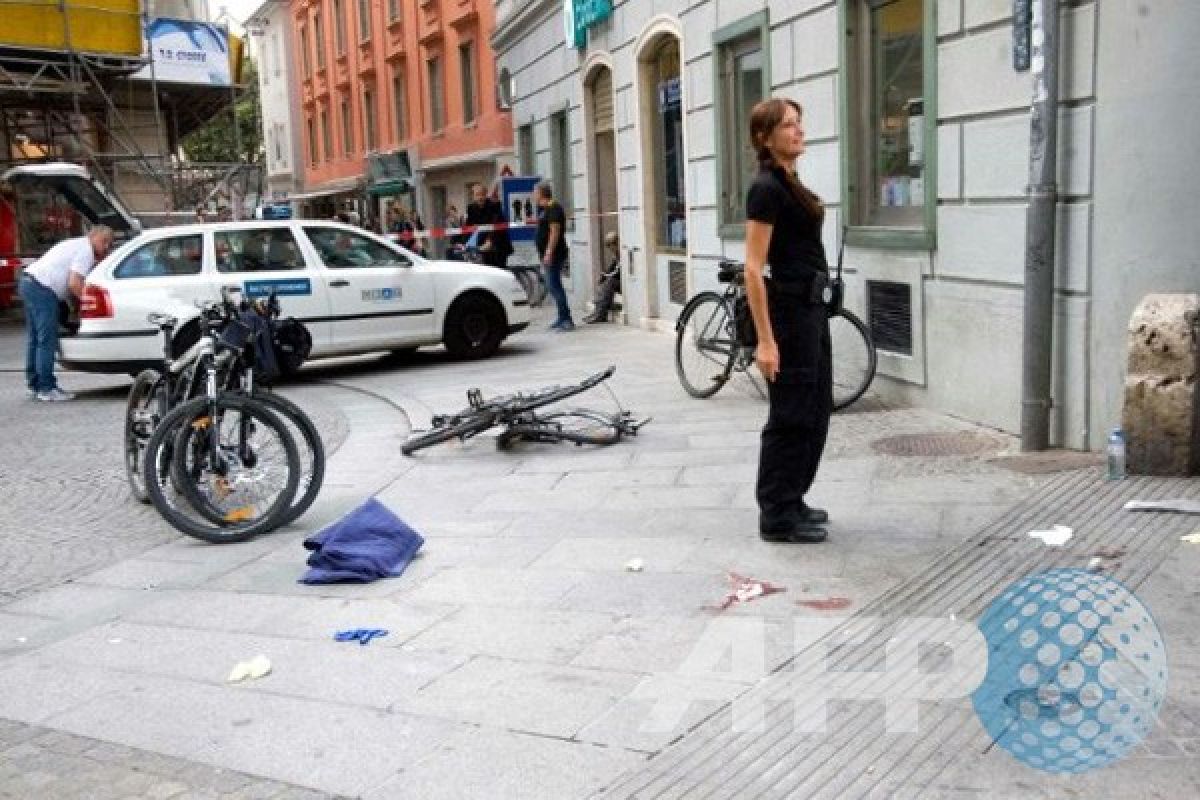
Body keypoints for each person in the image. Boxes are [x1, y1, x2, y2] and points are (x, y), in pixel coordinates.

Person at [743, 97, 832, 544]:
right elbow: (753, 269)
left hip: (812, 310)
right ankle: (775, 515)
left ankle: (793, 497)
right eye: (788, 126)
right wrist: (766, 341)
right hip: (790, 315)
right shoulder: (766, 188)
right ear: (765, 137)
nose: (799, 131)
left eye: (800, 123)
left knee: (815, 411)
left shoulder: (789, 180)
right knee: (791, 415)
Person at [19, 226, 114, 401]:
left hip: (28, 282)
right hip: (43, 288)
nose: (106, 246)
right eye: (104, 241)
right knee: (47, 340)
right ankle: (47, 388)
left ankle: (35, 384)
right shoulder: (86, 251)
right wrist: (89, 303)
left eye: (109, 243)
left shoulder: (75, 244)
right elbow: (74, 283)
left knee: (35, 338)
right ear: (93, 237)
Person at [535, 181, 572, 331]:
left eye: (535, 192)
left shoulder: (553, 208)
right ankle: (561, 317)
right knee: (553, 285)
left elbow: (555, 231)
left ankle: (566, 319)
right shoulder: (544, 209)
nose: (533, 195)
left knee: (554, 285)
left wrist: (549, 252)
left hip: (555, 254)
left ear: (541, 193)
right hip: (548, 254)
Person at [465, 183, 513, 270]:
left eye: (482, 194)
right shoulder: (471, 208)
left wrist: (490, 241)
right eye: (477, 195)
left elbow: (498, 225)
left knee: (499, 271)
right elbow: (468, 227)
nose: (480, 197)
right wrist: (463, 242)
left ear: (486, 194)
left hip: (497, 246)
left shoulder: (494, 206)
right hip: (481, 247)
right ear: (473, 196)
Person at [583, 231, 621, 324]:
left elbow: (617, 271)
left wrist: (607, 275)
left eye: (609, 245)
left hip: (624, 283)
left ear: (615, 243)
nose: (609, 248)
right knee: (604, 282)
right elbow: (612, 268)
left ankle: (601, 314)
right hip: (619, 281)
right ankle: (597, 312)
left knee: (609, 282)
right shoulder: (616, 254)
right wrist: (604, 275)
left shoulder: (621, 253)